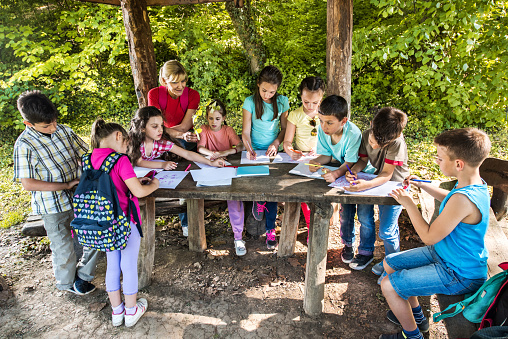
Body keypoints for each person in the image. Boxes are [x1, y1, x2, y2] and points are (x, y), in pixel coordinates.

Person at [379, 128, 491, 339]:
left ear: (458, 164)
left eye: (440, 158)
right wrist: (423, 185)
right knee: (389, 264)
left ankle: (412, 336)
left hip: (459, 273)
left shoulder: (464, 200)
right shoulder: (473, 184)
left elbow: (428, 236)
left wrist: (409, 203)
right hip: (445, 254)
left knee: (389, 286)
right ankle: (418, 318)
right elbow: (451, 196)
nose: (437, 161)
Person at [12, 90, 98, 295]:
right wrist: (65, 185)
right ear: (29, 124)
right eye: (46, 126)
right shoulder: (24, 145)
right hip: (52, 205)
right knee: (63, 247)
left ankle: (84, 275)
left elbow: (84, 156)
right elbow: (28, 183)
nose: (53, 127)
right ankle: (67, 283)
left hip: (80, 197)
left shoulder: (64, 131)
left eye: (54, 122)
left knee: (94, 234)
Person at [89, 118, 159, 327]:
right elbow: (138, 191)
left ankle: (117, 312)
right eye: (127, 144)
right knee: (128, 265)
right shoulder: (120, 160)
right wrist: (153, 184)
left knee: (112, 265)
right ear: (119, 137)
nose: (127, 148)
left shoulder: (88, 159)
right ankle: (131, 311)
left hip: (102, 223)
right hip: (125, 221)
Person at [128, 106, 225, 236]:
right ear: (142, 128)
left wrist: (210, 162)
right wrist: (163, 164)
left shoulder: (161, 142)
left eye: (161, 126)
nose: (160, 130)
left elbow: (187, 154)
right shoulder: (134, 141)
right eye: (154, 126)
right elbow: (139, 162)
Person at [342, 107, 409, 273]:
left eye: (379, 145)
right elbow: (363, 161)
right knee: (367, 218)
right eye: (372, 142)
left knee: (387, 229)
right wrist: (355, 171)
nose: (373, 145)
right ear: (372, 125)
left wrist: (365, 185)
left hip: (395, 188)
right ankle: (371, 254)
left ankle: (393, 265)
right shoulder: (366, 135)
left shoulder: (397, 143)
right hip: (377, 183)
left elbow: (387, 174)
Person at [307, 94, 364, 255]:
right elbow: (326, 154)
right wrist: (317, 162)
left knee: (349, 209)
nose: (324, 126)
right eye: (321, 121)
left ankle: (350, 244)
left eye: (329, 123)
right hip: (341, 169)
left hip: (358, 173)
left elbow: (351, 162)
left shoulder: (353, 134)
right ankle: (347, 242)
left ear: (343, 121)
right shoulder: (322, 130)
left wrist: (336, 173)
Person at [148, 60, 199, 234]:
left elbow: (185, 127)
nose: (180, 86)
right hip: (162, 137)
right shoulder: (154, 94)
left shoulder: (192, 95)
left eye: (183, 81)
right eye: (175, 82)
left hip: (183, 137)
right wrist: (169, 133)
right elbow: (156, 127)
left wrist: (172, 133)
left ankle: (188, 219)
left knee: (187, 170)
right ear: (164, 81)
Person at [242, 65, 290, 250]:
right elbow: (245, 132)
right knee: (257, 185)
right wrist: (248, 148)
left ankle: (271, 229)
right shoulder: (250, 102)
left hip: (273, 152)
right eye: (264, 90)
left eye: (272, 91)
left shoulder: (283, 101)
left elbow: (285, 129)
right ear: (258, 85)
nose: (267, 95)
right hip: (254, 151)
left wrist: (276, 143)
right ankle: (258, 201)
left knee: (273, 191)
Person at [197, 99, 246, 255]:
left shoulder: (228, 130)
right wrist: (212, 155)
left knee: (234, 198)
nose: (213, 122)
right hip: (209, 167)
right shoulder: (204, 129)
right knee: (195, 195)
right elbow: (200, 148)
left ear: (223, 118)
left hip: (227, 168)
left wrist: (226, 152)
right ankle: (195, 235)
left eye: (217, 118)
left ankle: (238, 237)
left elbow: (240, 146)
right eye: (210, 118)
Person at [283, 76, 325, 231]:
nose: (310, 106)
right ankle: (309, 225)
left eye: (315, 102)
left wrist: (321, 150)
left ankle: (320, 224)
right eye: (306, 101)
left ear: (322, 97)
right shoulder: (295, 115)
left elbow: (333, 139)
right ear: (300, 96)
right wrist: (290, 151)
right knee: (302, 191)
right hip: (303, 160)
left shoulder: (326, 115)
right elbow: (287, 142)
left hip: (323, 158)